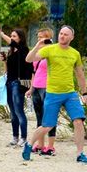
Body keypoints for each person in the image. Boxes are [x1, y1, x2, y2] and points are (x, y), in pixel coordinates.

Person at [22, 26, 87, 164]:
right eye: (61, 33)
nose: (62, 36)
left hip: (70, 93)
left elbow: (80, 74)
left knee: (78, 121)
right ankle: (29, 144)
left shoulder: (75, 53)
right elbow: (29, 59)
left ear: (72, 37)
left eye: (66, 34)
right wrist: (38, 45)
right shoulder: (50, 49)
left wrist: (85, 93)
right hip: (53, 93)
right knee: (47, 126)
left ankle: (80, 154)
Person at [0, 23, 34, 147]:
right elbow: (8, 70)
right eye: (11, 36)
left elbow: (13, 43)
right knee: (12, 112)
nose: (12, 38)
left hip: (19, 83)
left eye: (14, 36)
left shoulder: (24, 50)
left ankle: (24, 137)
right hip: (9, 82)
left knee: (19, 110)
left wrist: (0, 33)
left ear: (20, 38)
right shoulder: (11, 51)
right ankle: (15, 137)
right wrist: (5, 60)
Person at [24, 28, 57, 156]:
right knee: (39, 116)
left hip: (48, 87)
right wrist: (31, 88)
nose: (39, 39)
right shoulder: (38, 52)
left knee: (49, 117)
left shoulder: (53, 50)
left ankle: (50, 146)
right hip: (37, 86)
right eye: (38, 37)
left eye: (42, 37)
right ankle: (40, 144)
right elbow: (33, 70)